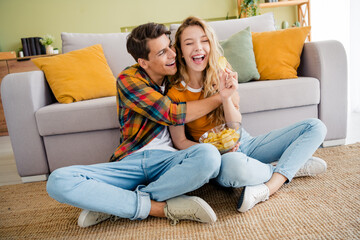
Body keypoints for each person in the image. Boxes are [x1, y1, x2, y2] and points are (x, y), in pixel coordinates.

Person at [46, 22, 237, 227]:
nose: (173, 54)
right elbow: (171, 114)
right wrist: (220, 97)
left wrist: (223, 83)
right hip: (131, 162)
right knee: (58, 180)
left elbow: (204, 65)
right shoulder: (128, 79)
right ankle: (159, 208)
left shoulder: (177, 74)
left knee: (209, 156)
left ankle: (116, 205)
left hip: (169, 161)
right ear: (143, 62)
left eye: (171, 46)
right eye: (163, 52)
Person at [167, 16, 328, 213]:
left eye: (204, 40)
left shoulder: (222, 73)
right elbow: (180, 142)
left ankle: (273, 183)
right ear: (181, 52)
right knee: (236, 168)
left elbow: (235, 123)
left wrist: (225, 97)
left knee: (316, 127)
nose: (198, 47)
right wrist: (214, 152)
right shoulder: (175, 93)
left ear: (211, 44)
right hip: (220, 157)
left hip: (245, 142)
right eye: (189, 43)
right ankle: (290, 166)